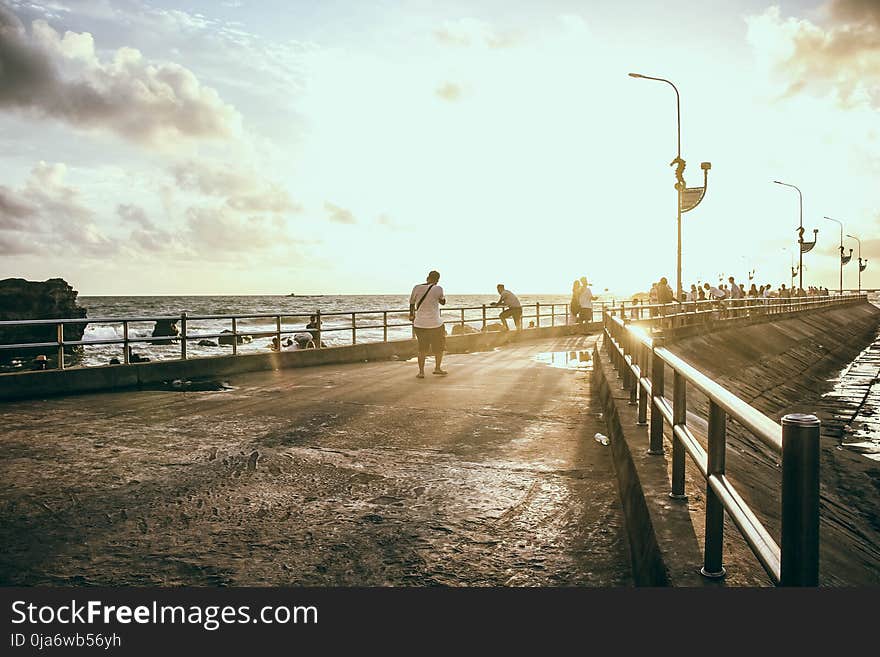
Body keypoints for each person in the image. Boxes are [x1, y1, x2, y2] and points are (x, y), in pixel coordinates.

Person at [409, 270, 447, 378]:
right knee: (438, 348)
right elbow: (443, 302)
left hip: (420, 324)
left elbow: (411, 303)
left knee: (422, 349)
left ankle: (421, 372)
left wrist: (411, 315)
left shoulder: (416, 287)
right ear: (438, 280)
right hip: (435, 324)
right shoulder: (438, 288)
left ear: (427, 277)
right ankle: (437, 368)